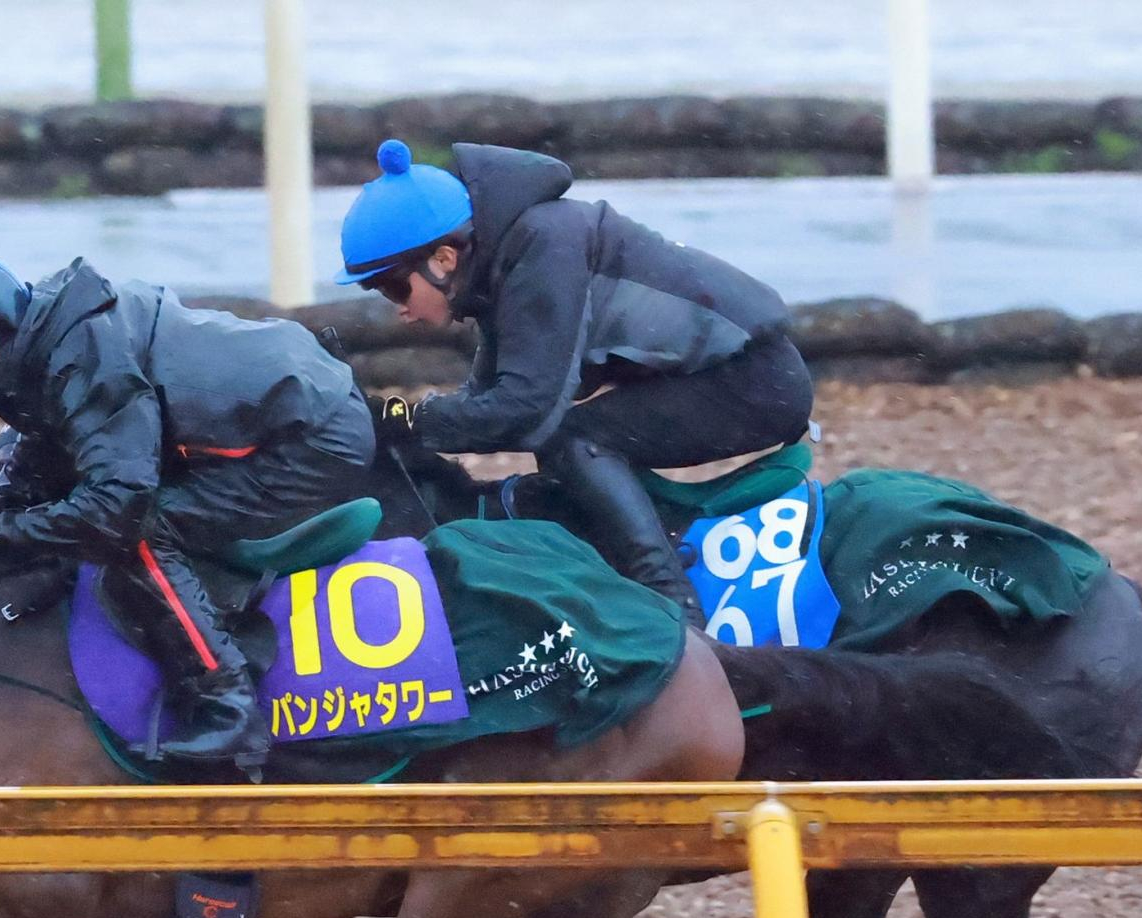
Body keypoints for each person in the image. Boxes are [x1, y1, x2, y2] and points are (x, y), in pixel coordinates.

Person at [0, 249, 375, 767]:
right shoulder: (48, 339)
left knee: (140, 536)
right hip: (293, 401)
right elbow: (54, 434)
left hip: (316, 439)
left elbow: (117, 509)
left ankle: (227, 702)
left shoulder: (83, 354)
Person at [336, 138, 815, 624]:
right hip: (729, 376)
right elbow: (483, 403)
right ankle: (638, 559)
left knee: (571, 438)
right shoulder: (508, 257)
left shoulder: (542, 246)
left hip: (756, 383)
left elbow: (522, 412)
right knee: (564, 441)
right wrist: (401, 422)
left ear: (443, 259)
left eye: (394, 286)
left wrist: (403, 418)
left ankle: (675, 606)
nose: (398, 309)